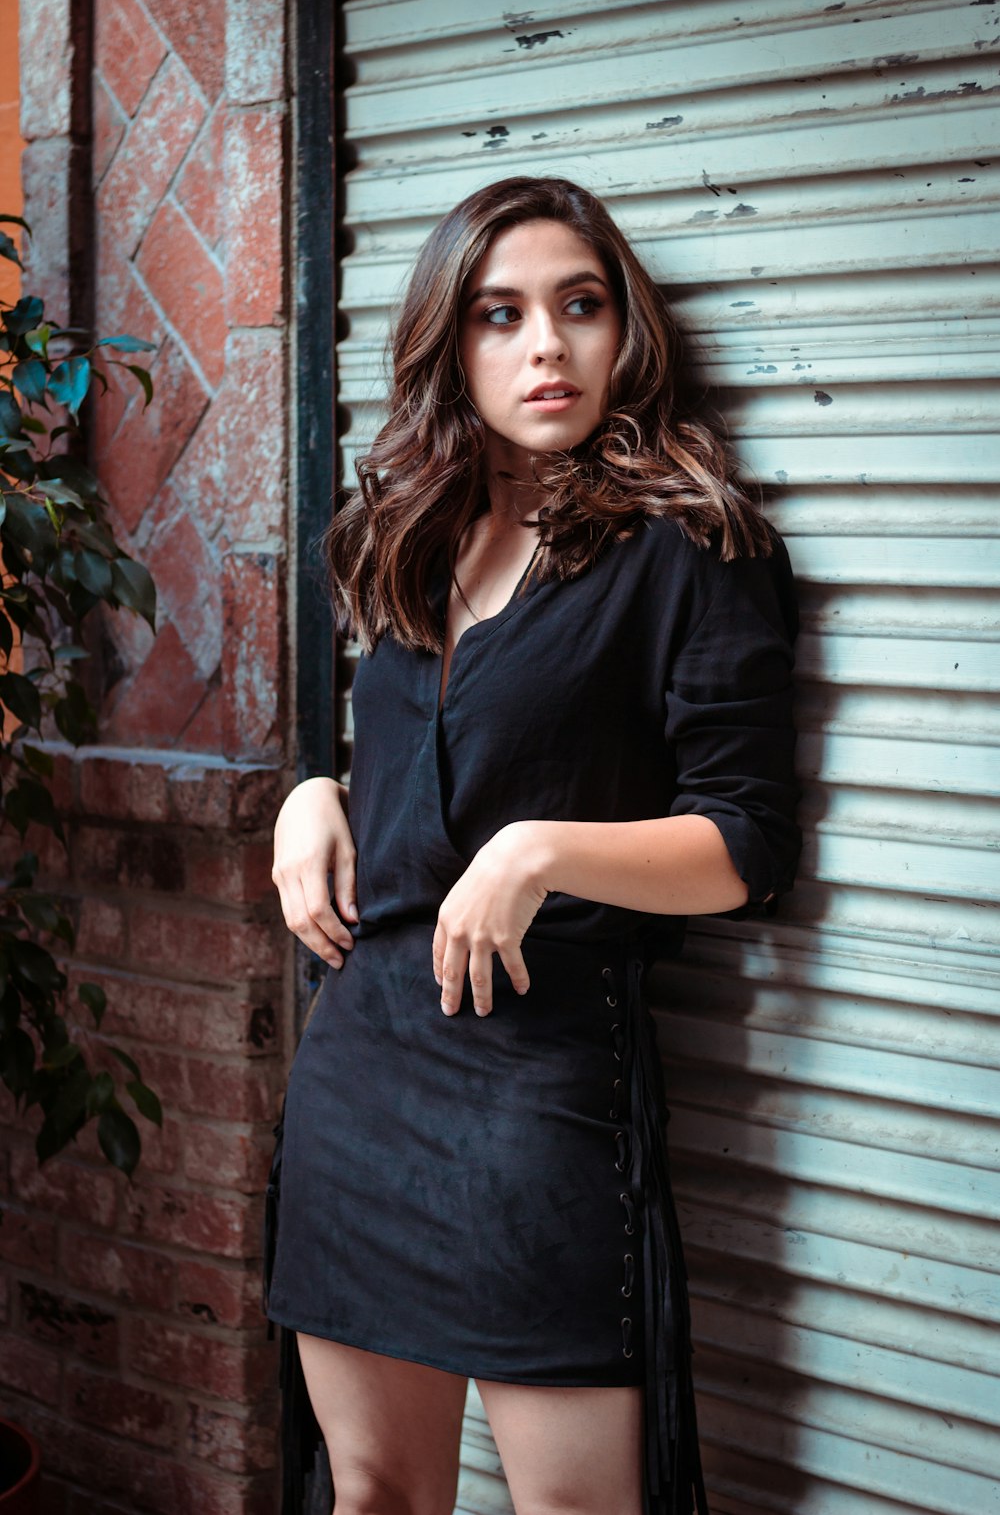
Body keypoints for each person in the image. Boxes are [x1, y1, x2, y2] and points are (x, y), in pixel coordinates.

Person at [265, 175, 800, 1515]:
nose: (546, 346)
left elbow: (745, 842)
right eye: (501, 315)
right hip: (360, 1071)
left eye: (581, 305)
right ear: (452, 343)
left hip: (540, 1090)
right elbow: (406, 762)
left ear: (630, 330)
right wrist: (311, 794)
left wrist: (540, 852)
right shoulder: (408, 534)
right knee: (375, 1489)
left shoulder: (690, 546)